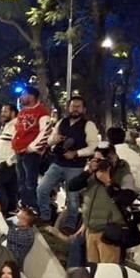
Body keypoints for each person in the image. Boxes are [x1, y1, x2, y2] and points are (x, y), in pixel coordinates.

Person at [37, 96, 98, 229]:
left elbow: (93, 146)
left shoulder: (88, 125)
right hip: (57, 163)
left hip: (76, 166)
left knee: (73, 198)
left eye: (78, 106)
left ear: (84, 109)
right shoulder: (61, 122)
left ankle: (70, 224)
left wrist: (76, 153)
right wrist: (55, 140)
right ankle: (45, 217)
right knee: (42, 188)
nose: (75, 109)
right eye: (72, 106)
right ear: (68, 108)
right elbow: (49, 141)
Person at [12, 86, 52, 211]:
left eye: (23, 95)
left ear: (31, 96)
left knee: (30, 183)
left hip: (31, 154)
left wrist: (31, 147)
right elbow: (18, 130)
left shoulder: (42, 112)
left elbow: (45, 133)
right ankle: (25, 207)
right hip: (19, 152)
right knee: (21, 182)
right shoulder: (22, 112)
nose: (21, 98)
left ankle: (33, 209)